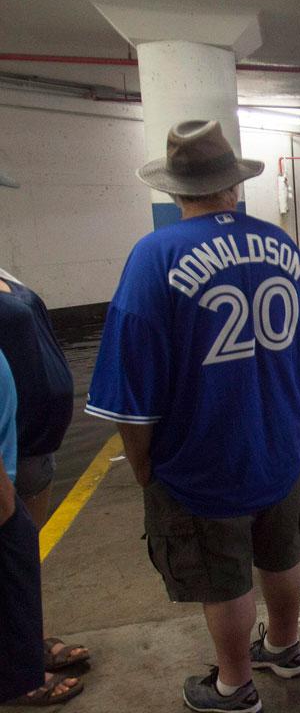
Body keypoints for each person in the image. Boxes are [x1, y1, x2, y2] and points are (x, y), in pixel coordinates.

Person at [87, 120, 300, 712]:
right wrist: (283, 419)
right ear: (234, 186)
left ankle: (233, 687)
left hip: (201, 463)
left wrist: (144, 465)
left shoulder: (154, 257)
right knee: (281, 553)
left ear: (176, 191)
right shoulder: (285, 248)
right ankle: (283, 647)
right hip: (279, 452)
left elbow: (130, 387)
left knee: (222, 577)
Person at [0, 267, 91, 679]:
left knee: (22, 560)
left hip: (37, 444)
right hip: (11, 448)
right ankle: (15, 676)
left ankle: (26, 647)